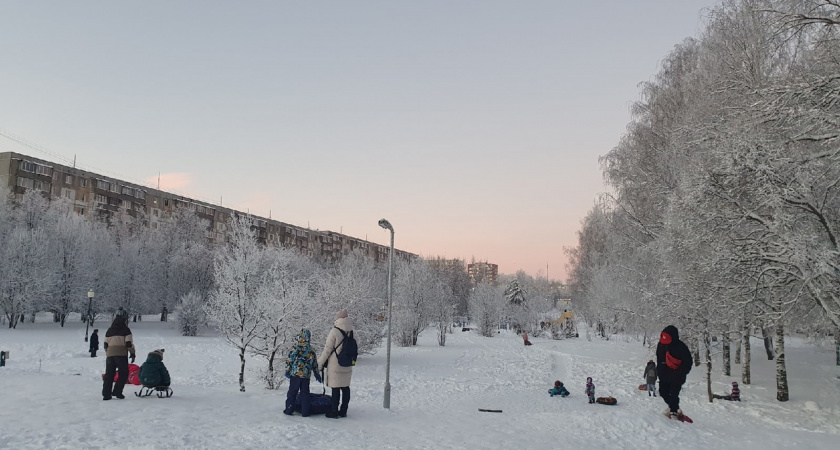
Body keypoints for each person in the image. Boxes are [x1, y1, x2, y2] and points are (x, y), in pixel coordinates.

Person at [318, 309, 354, 418]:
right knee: (345, 387)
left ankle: (334, 411)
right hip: (348, 363)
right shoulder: (351, 331)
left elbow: (327, 350)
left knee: (336, 388)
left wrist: (320, 363)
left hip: (335, 363)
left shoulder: (334, 331)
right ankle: (344, 410)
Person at [656, 325, 693, 419]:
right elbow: (659, 359)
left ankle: (674, 414)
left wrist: (681, 373)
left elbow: (688, 362)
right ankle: (675, 408)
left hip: (677, 376)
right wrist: (659, 371)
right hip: (664, 375)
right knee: (663, 392)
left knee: (674, 395)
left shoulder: (681, 347)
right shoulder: (661, 345)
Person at [283, 329, 321, 417]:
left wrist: (287, 370)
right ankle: (305, 411)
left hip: (295, 375)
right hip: (306, 376)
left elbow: (289, 361)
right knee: (305, 394)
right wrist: (316, 373)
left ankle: (289, 409)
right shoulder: (311, 351)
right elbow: (314, 364)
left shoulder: (295, 349)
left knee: (292, 392)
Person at [102, 311, 136, 400]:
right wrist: (132, 353)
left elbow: (105, 344)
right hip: (121, 354)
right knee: (123, 373)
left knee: (109, 374)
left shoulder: (109, 330)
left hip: (110, 354)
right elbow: (128, 343)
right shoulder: (126, 330)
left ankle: (106, 394)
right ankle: (117, 391)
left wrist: (108, 352)